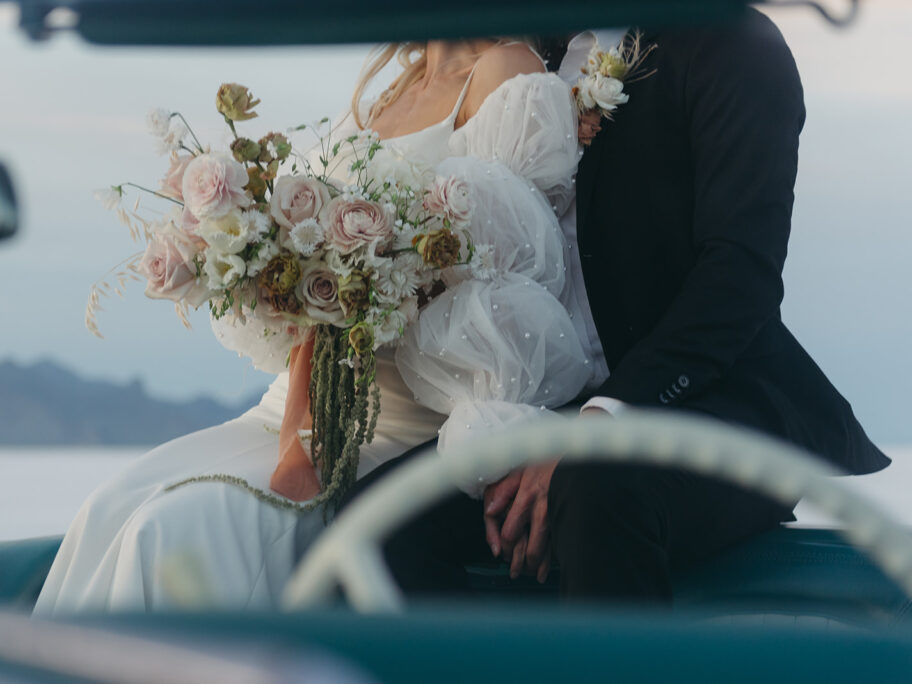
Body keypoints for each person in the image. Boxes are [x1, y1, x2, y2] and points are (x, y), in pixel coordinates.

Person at [343, 10, 890, 603]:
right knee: (375, 523)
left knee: (597, 491)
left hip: (718, 402)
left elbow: (740, 277)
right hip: (554, 407)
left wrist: (602, 421)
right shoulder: (535, 53)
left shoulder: (733, 43)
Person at [34, 38, 594, 614]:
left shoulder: (505, 72)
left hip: (393, 422)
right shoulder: (381, 94)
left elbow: (520, 273)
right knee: (108, 507)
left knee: (168, 527)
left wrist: (379, 271)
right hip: (290, 406)